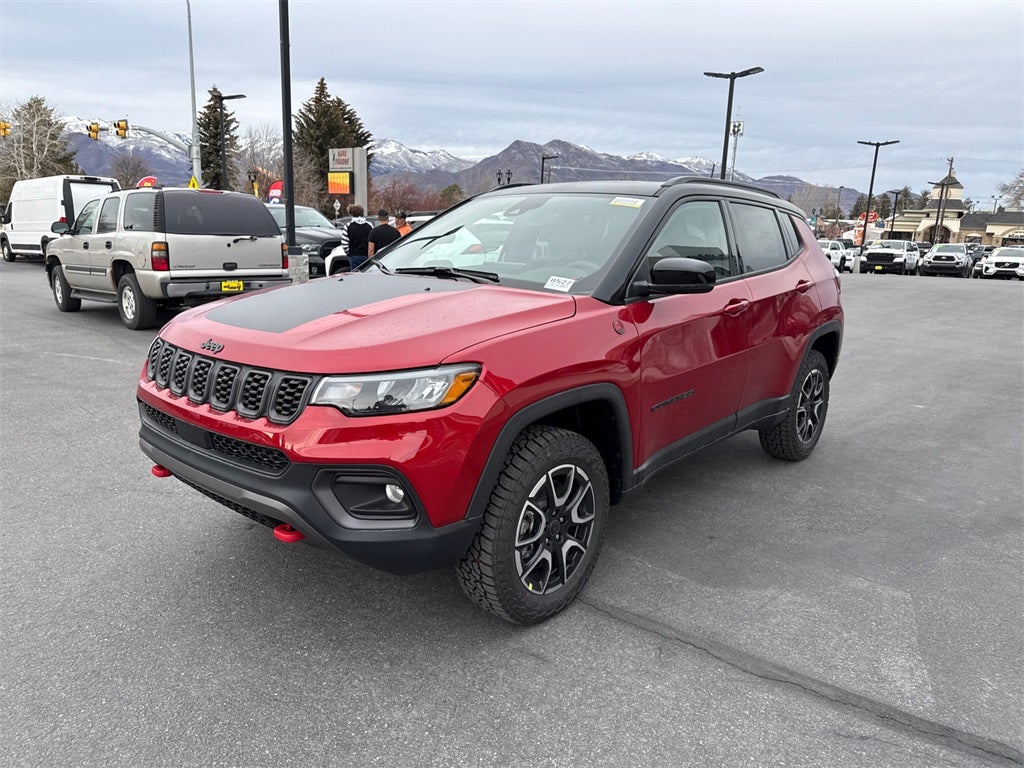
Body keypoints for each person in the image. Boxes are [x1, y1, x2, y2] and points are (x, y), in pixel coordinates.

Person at [339, 204, 372, 270]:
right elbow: (372, 241)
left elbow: (344, 243)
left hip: (354, 256)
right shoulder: (369, 225)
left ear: (351, 213)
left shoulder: (348, 226)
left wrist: (349, 253)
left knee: (355, 276)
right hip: (366, 256)